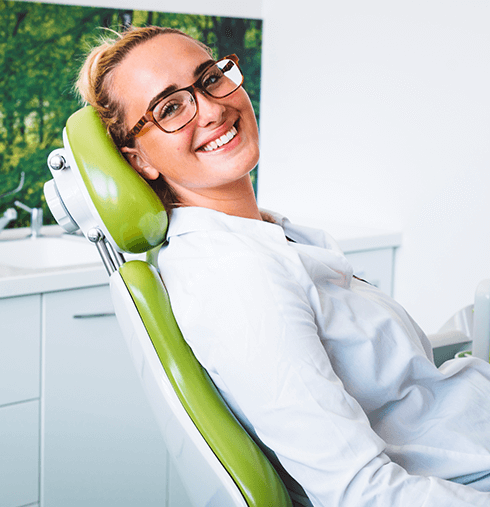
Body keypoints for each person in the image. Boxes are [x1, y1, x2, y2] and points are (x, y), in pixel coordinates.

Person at [77, 25, 490, 506]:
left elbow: (394, 376)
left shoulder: (262, 235)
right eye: (170, 108)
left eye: (210, 78)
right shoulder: (236, 276)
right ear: (140, 160)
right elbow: (363, 493)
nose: (211, 109)